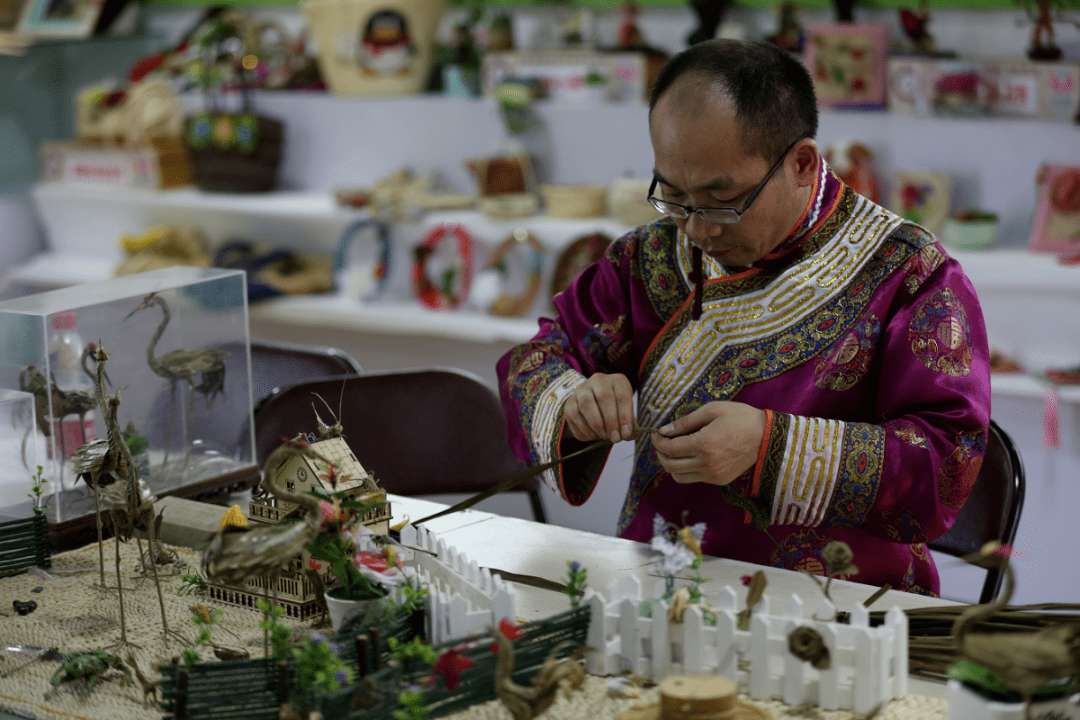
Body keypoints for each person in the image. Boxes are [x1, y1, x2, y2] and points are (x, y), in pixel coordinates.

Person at [497, 39, 990, 597]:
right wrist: (575, 399)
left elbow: (946, 462)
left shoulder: (909, 274)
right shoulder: (647, 258)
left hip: (842, 606)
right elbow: (536, 359)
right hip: (662, 582)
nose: (697, 229)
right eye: (674, 195)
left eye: (720, 198)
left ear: (802, 163)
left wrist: (768, 446)